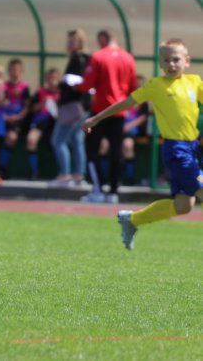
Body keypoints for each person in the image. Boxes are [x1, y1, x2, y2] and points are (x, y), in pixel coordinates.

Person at [82, 38, 203, 250]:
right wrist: (96, 118)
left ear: (187, 61)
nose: (171, 64)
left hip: (192, 148)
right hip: (176, 150)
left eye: (176, 59)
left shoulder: (194, 82)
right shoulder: (156, 86)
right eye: (167, 60)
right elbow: (126, 102)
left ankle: (132, 220)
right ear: (160, 63)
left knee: (184, 206)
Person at [77, 29, 137, 203]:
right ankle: (113, 192)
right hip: (119, 110)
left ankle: (98, 189)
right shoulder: (128, 58)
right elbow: (133, 87)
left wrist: (74, 86)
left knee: (91, 149)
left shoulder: (98, 56)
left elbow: (87, 84)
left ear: (102, 38)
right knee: (116, 151)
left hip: (100, 111)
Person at [50, 29, 91, 187]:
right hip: (83, 105)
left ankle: (65, 174)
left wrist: (61, 84)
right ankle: (79, 175)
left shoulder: (78, 58)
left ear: (80, 42)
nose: (69, 43)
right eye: (69, 40)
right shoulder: (86, 59)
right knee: (77, 139)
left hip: (73, 106)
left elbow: (77, 83)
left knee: (58, 140)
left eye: (73, 40)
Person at [26, 68, 60, 180]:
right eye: (49, 78)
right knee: (31, 140)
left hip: (56, 124)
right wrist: (43, 103)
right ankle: (34, 173)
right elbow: (32, 109)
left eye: (54, 78)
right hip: (40, 123)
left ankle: (63, 173)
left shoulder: (62, 93)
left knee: (62, 143)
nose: (52, 80)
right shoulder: (40, 92)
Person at [0, 58, 31, 178]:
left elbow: (27, 107)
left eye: (16, 70)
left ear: (21, 71)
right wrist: (4, 116)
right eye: (11, 70)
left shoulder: (24, 87)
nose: (14, 72)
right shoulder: (3, 86)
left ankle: (3, 169)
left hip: (17, 120)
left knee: (11, 138)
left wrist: (18, 116)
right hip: (3, 119)